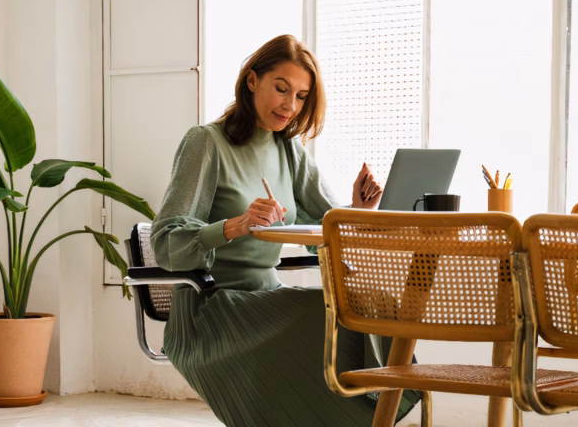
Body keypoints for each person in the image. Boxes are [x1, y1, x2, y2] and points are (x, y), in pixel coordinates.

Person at [151, 34, 420, 427]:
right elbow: (165, 242)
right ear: (251, 81)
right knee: (325, 315)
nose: (289, 106)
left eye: (300, 96)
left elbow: (327, 224)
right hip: (211, 306)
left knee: (368, 305)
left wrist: (357, 211)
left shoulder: (288, 150)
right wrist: (235, 225)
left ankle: (372, 416)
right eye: (281, 88)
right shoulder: (205, 142)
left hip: (267, 296)